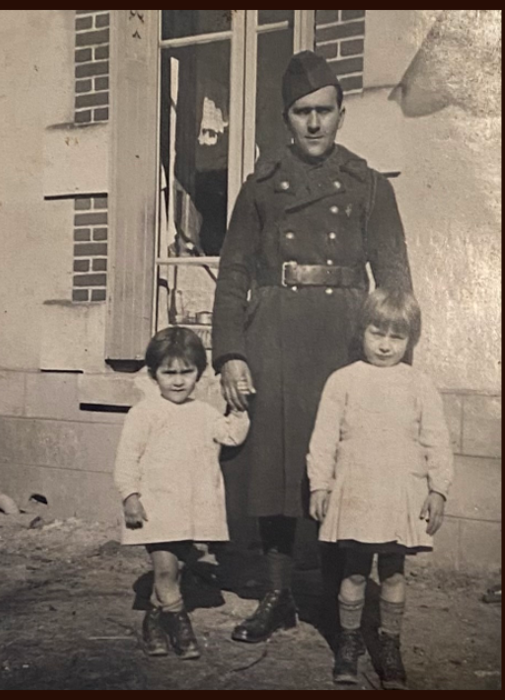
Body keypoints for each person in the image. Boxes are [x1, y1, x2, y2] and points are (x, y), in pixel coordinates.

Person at [211, 50, 414, 644]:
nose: (315, 123)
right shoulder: (261, 186)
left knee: (344, 467)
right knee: (276, 467)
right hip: (272, 333)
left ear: (342, 113)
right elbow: (233, 273)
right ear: (286, 118)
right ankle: (277, 596)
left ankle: (335, 599)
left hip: (346, 340)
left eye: (325, 111)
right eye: (302, 113)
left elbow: (397, 282)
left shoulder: (369, 186)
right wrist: (230, 353)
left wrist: (398, 366)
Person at [307, 288, 452, 688]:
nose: (386, 345)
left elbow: (436, 440)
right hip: (357, 489)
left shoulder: (419, 385)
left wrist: (438, 489)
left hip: (400, 492)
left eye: (396, 337)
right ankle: (349, 643)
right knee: (354, 571)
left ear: (410, 340)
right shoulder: (343, 381)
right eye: (377, 333)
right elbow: (324, 439)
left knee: (393, 571)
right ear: (362, 332)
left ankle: (390, 645)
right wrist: (320, 484)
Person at [114, 327, 250, 659]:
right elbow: (126, 458)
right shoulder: (143, 413)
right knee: (163, 570)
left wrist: (241, 408)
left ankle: (154, 623)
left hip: (188, 508)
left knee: (175, 570)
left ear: (199, 374)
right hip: (155, 506)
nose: (177, 381)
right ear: (153, 374)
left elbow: (231, 435)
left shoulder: (204, 413)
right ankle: (181, 627)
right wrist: (130, 495)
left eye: (186, 372)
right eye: (168, 372)